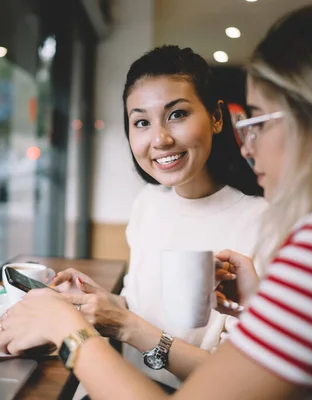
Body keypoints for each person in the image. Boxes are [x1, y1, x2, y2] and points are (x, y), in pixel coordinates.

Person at [0, 1, 312, 398]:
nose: (249, 145)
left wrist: (68, 331)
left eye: (259, 120)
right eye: (140, 122)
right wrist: (108, 311)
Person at [49, 45, 268, 392]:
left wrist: (123, 324)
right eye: (141, 122)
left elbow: (238, 384)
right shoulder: (148, 204)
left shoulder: (263, 223)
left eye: (177, 114)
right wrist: (100, 303)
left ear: (216, 117)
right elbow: (139, 310)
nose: (160, 139)